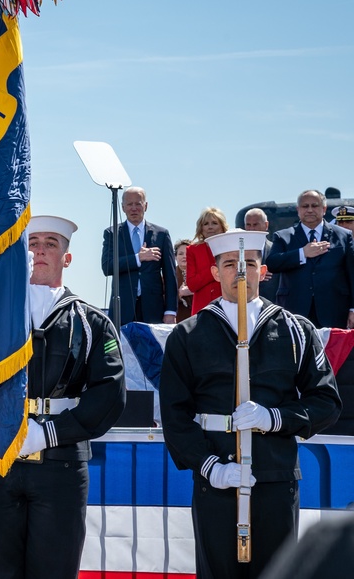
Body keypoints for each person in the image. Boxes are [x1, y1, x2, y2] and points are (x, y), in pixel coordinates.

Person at [159, 229, 341, 579]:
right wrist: (210, 466)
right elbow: (175, 414)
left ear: (263, 269)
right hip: (216, 478)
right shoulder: (190, 333)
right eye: (229, 264)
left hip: (275, 478)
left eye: (249, 264)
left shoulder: (295, 329)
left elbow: (326, 402)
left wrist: (275, 418)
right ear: (215, 272)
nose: (240, 273)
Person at [0, 215, 125, 579]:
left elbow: (110, 393)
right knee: (1, 570)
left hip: (61, 462)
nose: (40, 250)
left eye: (50, 244)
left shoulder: (91, 321)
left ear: (67, 259)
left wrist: (49, 433)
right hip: (0, 457)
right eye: (32, 242)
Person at [266, 189, 354, 328]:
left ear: (324, 209)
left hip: (334, 310)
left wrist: (352, 309)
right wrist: (302, 253)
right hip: (295, 310)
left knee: (333, 350)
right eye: (305, 206)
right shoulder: (283, 236)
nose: (310, 210)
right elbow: (272, 263)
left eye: (315, 205)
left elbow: (352, 274)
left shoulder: (343, 235)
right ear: (298, 210)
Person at [100, 186, 177, 326]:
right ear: (123, 207)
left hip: (153, 309)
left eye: (138, 204)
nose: (134, 208)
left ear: (145, 206)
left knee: (152, 348)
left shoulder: (161, 234)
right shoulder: (112, 234)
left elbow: (170, 276)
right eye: (129, 204)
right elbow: (107, 267)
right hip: (122, 309)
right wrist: (138, 258)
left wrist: (170, 311)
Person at [186, 207, 229, 315]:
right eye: (206, 224)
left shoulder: (231, 247)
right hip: (201, 309)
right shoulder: (192, 250)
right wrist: (215, 269)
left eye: (214, 223)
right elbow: (192, 284)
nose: (210, 227)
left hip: (227, 306)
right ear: (201, 228)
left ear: (222, 226)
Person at [243, 207, 279, 302]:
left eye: (255, 224)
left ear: (266, 225)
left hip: (271, 305)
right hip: (246, 305)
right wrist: (254, 274)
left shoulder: (276, 251)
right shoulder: (238, 252)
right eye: (248, 225)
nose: (251, 229)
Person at [174, 238, 193, 322]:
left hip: (199, 318)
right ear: (175, 257)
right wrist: (179, 294)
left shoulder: (201, 274)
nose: (184, 256)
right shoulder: (169, 275)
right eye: (180, 254)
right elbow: (159, 299)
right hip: (179, 321)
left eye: (188, 253)